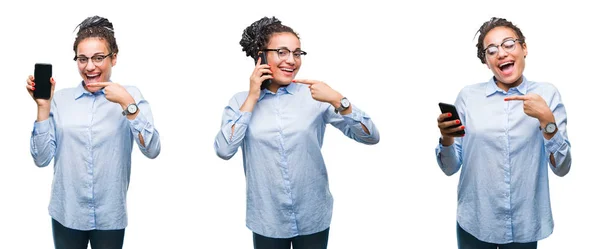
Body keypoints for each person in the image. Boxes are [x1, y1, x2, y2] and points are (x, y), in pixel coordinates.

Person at [214, 16, 380, 249]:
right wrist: (252, 97)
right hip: (267, 219)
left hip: (312, 214)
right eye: (282, 52)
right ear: (260, 56)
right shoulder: (240, 101)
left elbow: (371, 136)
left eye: (297, 53)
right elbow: (224, 150)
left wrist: (338, 100)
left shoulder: (315, 95)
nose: (291, 61)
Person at [435, 17, 571, 249]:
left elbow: (562, 167)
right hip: (476, 221)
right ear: (486, 61)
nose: (501, 53)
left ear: (524, 48)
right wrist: (447, 139)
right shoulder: (468, 97)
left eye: (509, 44)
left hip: (525, 223)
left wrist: (547, 121)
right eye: (492, 50)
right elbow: (450, 168)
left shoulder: (547, 95)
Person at [26, 15, 161, 249]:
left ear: (114, 58)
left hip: (110, 215)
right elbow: (41, 159)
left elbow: (152, 149)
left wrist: (127, 105)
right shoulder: (60, 100)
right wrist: (43, 107)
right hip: (67, 212)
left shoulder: (131, 96)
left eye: (98, 58)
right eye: (82, 59)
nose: (90, 67)